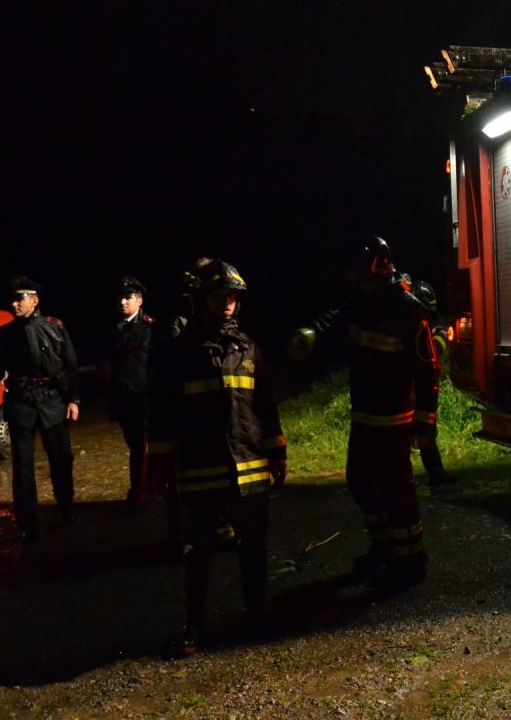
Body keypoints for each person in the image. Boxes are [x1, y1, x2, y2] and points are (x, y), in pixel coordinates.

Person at [149, 260, 286, 656]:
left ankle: (257, 616)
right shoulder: (181, 352)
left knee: (254, 547)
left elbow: (267, 404)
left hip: (249, 465)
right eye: (218, 296)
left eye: (232, 296)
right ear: (201, 300)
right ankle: (194, 626)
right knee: (198, 552)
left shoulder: (249, 347)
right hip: (200, 467)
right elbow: (161, 411)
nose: (227, 303)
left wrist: (276, 451)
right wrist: (159, 464)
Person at [291, 236, 439, 593]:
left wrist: (425, 421)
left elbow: (427, 368)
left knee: (396, 489)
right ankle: (385, 546)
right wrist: (310, 334)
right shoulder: (363, 302)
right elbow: (337, 320)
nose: (350, 280)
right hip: (365, 415)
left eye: (354, 273)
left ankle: (412, 560)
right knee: (360, 481)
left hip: (395, 419)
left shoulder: (406, 308)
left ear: (370, 272)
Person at [0, 276, 81, 544]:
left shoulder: (55, 328)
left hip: (53, 401)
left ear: (34, 301)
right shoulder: (3, 335)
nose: (14, 304)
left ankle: (66, 505)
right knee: (22, 466)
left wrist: (74, 400)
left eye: (19, 299)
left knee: (60, 458)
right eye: (11, 299)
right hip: (21, 401)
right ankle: (27, 522)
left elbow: (70, 366)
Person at [111, 276, 155, 507]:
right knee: (134, 445)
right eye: (120, 298)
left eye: (127, 298)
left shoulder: (149, 328)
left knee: (141, 447)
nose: (122, 302)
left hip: (144, 398)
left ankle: (139, 492)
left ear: (139, 300)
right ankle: (144, 487)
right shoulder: (116, 327)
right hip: (124, 398)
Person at [411, 280, 456, 487]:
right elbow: (429, 355)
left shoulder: (422, 324)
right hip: (420, 389)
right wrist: (441, 338)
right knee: (425, 434)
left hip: (423, 388)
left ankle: (435, 475)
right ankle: (436, 476)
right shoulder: (417, 326)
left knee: (424, 433)